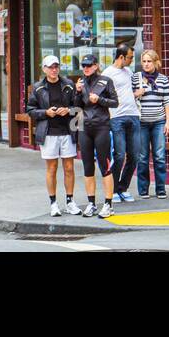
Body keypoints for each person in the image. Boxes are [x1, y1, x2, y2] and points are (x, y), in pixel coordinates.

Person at [27, 54, 82, 218]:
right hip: (48, 132)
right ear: (44, 69)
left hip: (67, 131)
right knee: (51, 169)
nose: (54, 70)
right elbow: (30, 110)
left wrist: (69, 110)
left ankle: (70, 201)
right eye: (50, 67)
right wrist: (46, 112)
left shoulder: (69, 85)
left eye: (56, 66)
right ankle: (53, 203)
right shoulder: (38, 88)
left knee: (69, 168)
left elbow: (78, 107)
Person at [74, 51, 118, 218]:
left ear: (96, 66)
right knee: (87, 166)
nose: (86, 68)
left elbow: (115, 102)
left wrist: (99, 100)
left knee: (105, 165)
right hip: (84, 127)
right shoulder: (80, 83)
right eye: (83, 65)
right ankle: (91, 203)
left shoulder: (106, 81)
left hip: (101, 127)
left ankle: (108, 204)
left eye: (89, 65)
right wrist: (77, 92)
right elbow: (76, 106)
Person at [102, 44, 141, 203]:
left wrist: (136, 94)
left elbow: (128, 91)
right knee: (119, 155)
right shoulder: (107, 74)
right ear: (121, 57)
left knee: (135, 155)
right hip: (116, 116)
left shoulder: (129, 72)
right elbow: (102, 97)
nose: (132, 60)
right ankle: (113, 188)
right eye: (130, 57)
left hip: (133, 115)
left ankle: (122, 188)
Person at [134, 48, 169, 199]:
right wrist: (137, 93)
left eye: (149, 61)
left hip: (159, 122)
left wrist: (168, 122)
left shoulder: (163, 79)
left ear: (156, 62)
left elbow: (167, 101)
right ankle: (143, 189)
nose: (146, 64)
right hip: (141, 122)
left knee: (159, 156)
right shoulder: (135, 78)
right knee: (142, 157)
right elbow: (128, 98)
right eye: (144, 61)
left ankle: (161, 189)